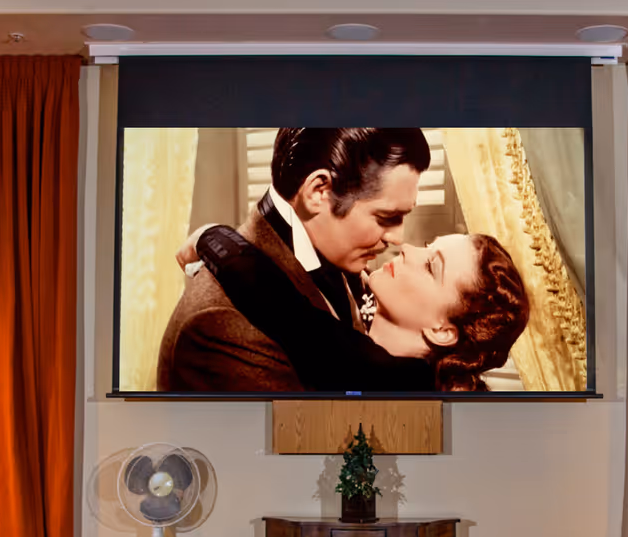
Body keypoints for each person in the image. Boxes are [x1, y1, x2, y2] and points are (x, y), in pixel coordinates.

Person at [155, 127, 430, 392]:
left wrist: (213, 239)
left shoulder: (339, 254)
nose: (398, 238)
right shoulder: (225, 326)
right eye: (386, 217)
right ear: (318, 191)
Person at [193, 224, 531, 392]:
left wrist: (209, 236)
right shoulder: (353, 308)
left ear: (441, 330)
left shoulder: (392, 380)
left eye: (431, 267)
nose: (408, 249)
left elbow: (276, 301)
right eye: (428, 247)